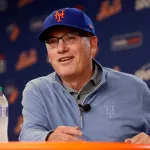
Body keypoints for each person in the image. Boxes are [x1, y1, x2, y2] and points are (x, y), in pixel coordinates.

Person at [19, 7, 150, 144]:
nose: (61, 48)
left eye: (70, 38)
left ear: (92, 44)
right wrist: (49, 137)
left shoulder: (135, 89)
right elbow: (27, 134)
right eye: (52, 42)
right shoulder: (37, 90)